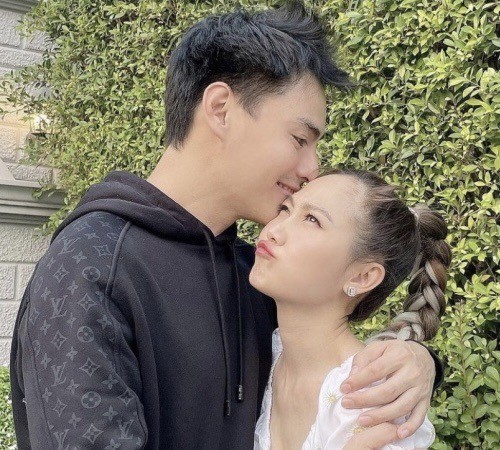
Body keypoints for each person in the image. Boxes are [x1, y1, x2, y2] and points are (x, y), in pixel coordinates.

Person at [10, 2, 442, 449]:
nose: (312, 168)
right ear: (220, 109)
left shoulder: (256, 275)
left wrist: (417, 362)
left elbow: (327, 344)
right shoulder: (90, 269)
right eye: (300, 138)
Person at [251, 169, 451, 449]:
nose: (273, 230)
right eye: (285, 209)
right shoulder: (261, 354)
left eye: (312, 219)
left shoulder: (372, 403)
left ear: (363, 277)